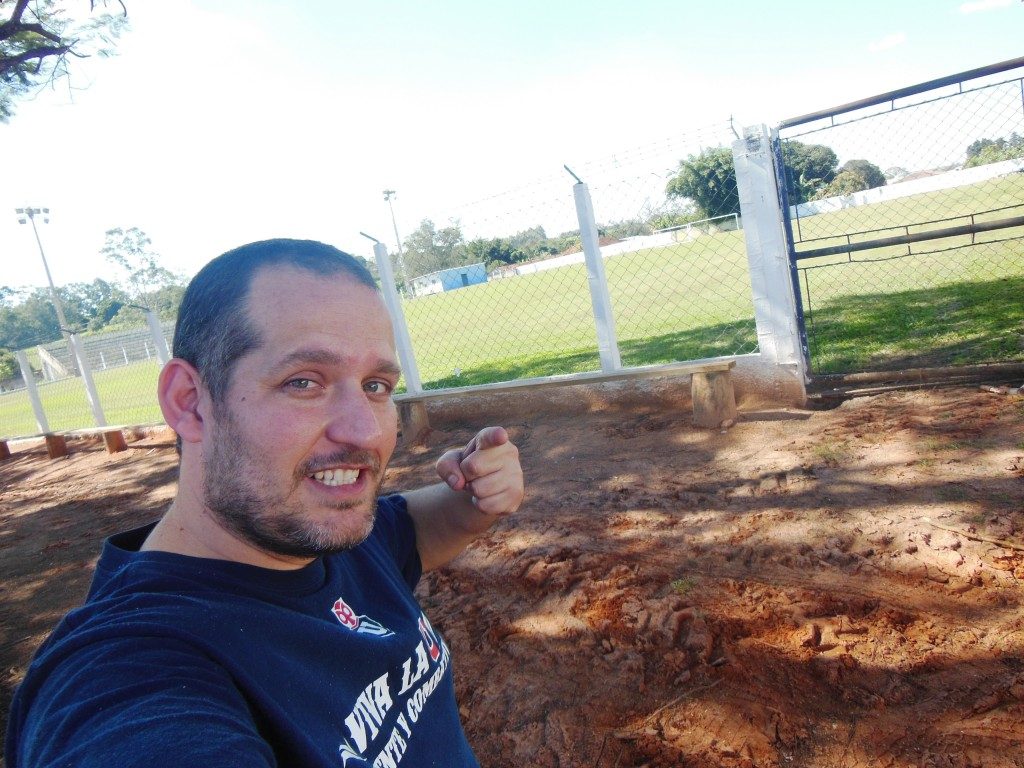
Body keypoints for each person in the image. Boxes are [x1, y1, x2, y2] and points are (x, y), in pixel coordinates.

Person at [5, 239, 525, 767]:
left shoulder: (317, 528)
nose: (365, 429)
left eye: (375, 385)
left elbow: (409, 529)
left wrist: (473, 499)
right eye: (303, 382)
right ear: (191, 402)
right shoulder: (127, 669)